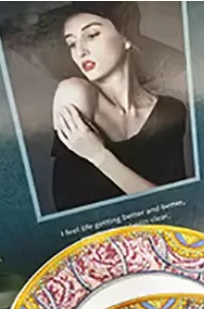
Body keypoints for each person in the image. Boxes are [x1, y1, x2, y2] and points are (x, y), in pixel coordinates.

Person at [50, 2, 188, 211]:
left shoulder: (171, 111)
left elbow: (174, 205)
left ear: (126, 37)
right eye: (71, 43)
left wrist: (99, 156)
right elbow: (68, 210)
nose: (80, 51)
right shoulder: (75, 93)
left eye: (92, 35)